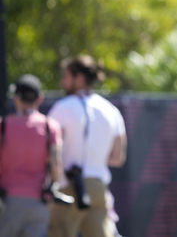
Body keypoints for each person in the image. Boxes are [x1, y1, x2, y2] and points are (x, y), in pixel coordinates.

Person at [48, 55, 127, 237]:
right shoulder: (111, 110)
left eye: (66, 76)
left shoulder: (62, 107)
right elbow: (117, 158)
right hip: (99, 189)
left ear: (80, 78)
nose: (62, 82)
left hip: (68, 186)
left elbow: (50, 150)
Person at [0, 74, 64, 237]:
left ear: (16, 98)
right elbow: (56, 167)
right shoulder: (51, 127)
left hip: (6, 201)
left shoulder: (3, 126)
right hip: (38, 201)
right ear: (40, 98)